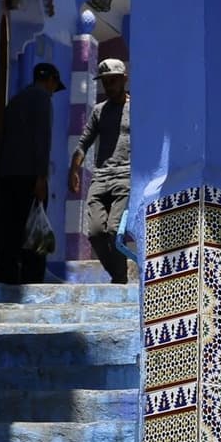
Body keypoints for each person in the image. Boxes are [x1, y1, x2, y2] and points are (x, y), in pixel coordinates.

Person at [0, 58, 62, 284]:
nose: (53, 91)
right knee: (33, 229)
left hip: (6, 174)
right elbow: (42, 139)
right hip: (30, 176)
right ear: (50, 81)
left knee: (10, 227)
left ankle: (6, 275)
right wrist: (41, 177)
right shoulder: (43, 100)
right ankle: (32, 279)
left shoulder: (16, 100)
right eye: (54, 86)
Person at [74, 56, 131, 281]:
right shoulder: (99, 111)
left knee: (114, 231)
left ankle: (120, 278)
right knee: (96, 232)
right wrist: (74, 170)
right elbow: (83, 143)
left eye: (112, 81)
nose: (108, 86)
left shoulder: (136, 109)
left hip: (126, 177)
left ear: (123, 80)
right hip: (101, 178)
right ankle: (118, 274)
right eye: (104, 82)